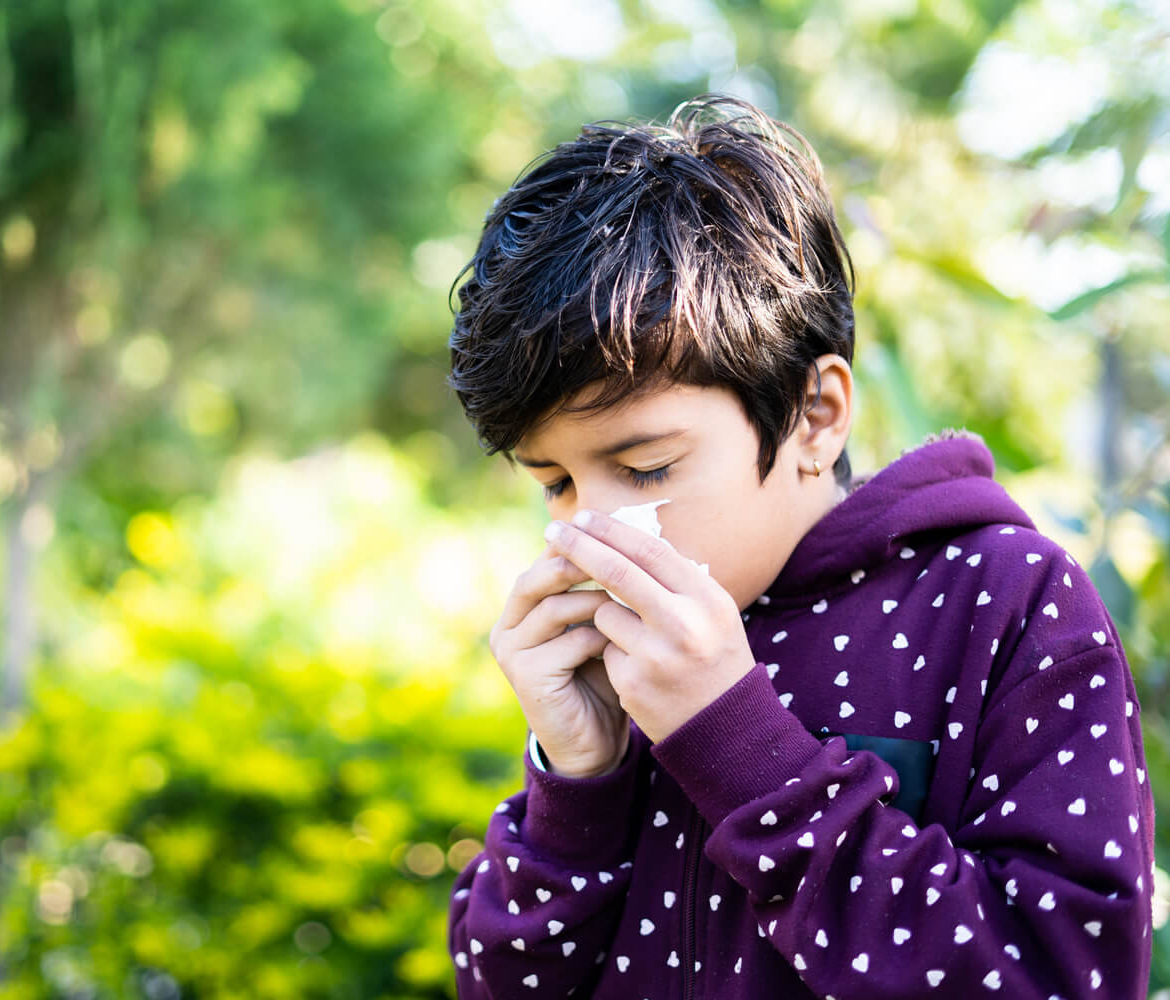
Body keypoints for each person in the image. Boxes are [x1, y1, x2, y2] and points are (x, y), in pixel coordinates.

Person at [444, 94, 1153, 998]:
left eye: (648, 467)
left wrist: (740, 745)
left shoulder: (1004, 604)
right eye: (555, 482)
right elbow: (500, 984)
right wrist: (577, 782)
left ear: (816, 415)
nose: (589, 529)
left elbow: (1065, 975)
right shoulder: (621, 653)